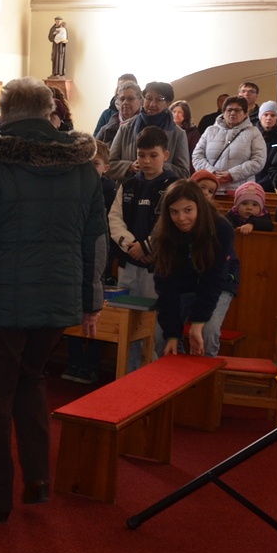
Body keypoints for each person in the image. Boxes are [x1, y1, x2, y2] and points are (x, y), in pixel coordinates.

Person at [0, 78, 106, 522]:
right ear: (50, 113)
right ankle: (37, 480)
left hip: (0, 301)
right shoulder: (83, 165)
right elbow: (95, 239)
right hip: (58, 299)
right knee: (31, 381)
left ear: (3, 115)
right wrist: (91, 300)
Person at [106, 125, 179, 373]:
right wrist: (130, 246)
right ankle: (128, 377)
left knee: (154, 327)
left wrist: (147, 247)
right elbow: (115, 219)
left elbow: (171, 223)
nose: (146, 161)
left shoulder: (174, 185)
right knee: (128, 327)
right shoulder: (127, 185)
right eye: (141, 155)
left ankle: (154, 377)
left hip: (157, 268)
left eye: (153, 155)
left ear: (165, 155)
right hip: (129, 265)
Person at [151, 179, 239, 357]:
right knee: (162, 338)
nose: (181, 218)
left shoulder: (221, 229)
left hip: (218, 284)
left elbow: (214, 278)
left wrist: (198, 323)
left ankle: (205, 372)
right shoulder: (163, 234)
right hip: (183, 286)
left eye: (188, 210)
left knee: (207, 332)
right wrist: (172, 334)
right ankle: (175, 372)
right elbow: (166, 285)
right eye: (174, 212)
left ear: (200, 206)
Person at [61, 139, 119, 384]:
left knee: (96, 309)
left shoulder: (110, 190)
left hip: (101, 257)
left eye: (94, 164)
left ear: (106, 167)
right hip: (75, 256)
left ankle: (92, 364)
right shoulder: (72, 187)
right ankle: (74, 360)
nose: (89, 169)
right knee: (74, 308)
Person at [107, 81, 191, 181]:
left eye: (159, 100)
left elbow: (184, 172)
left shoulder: (178, 134)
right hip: (130, 187)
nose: (152, 104)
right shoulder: (126, 128)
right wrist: (130, 167)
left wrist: (156, 165)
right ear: (143, 100)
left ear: (168, 103)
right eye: (149, 98)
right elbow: (108, 164)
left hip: (165, 189)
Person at [192, 95, 266, 192]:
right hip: (210, 189)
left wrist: (232, 174)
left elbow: (258, 160)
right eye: (229, 110)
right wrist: (212, 173)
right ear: (223, 112)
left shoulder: (254, 132)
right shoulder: (210, 131)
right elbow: (197, 156)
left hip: (240, 190)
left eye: (237, 110)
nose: (233, 113)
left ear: (245, 113)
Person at [96, 81, 142, 146]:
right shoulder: (106, 130)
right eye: (122, 99)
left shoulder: (145, 127)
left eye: (130, 99)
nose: (125, 102)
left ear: (141, 102)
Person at [254, 101, 277, 190]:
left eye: (273, 115)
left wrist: (262, 184)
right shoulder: (251, 135)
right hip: (249, 182)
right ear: (260, 116)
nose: (269, 118)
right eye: (266, 115)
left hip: (271, 185)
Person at [92, 72, 138, 137]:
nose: (125, 91)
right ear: (117, 91)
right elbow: (96, 140)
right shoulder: (107, 114)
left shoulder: (144, 116)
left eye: (129, 87)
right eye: (121, 88)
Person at [171, 100, 200, 167]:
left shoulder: (193, 132)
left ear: (186, 114)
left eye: (180, 112)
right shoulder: (166, 129)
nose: (176, 115)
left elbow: (194, 153)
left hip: (185, 165)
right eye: (174, 112)